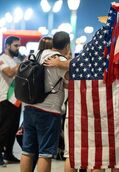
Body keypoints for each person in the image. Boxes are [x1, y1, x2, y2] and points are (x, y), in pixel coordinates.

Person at [20, 31, 70, 172]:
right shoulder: (58, 59)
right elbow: (69, 82)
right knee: (45, 153)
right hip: (49, 111)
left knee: (27, 150)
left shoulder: (37, 54)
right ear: (67, 45)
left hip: (29, 107)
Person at [0, 36, 22, 166]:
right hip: (4, 98)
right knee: (3, 129)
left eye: (19, 45)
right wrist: (21, 65)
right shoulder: (1, 59)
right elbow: (9, 73)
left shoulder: (15, 60)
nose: (18, 48)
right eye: (16, 45)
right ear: (7, 46)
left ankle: (9, 153)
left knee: (13, 129)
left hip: (16, 99)